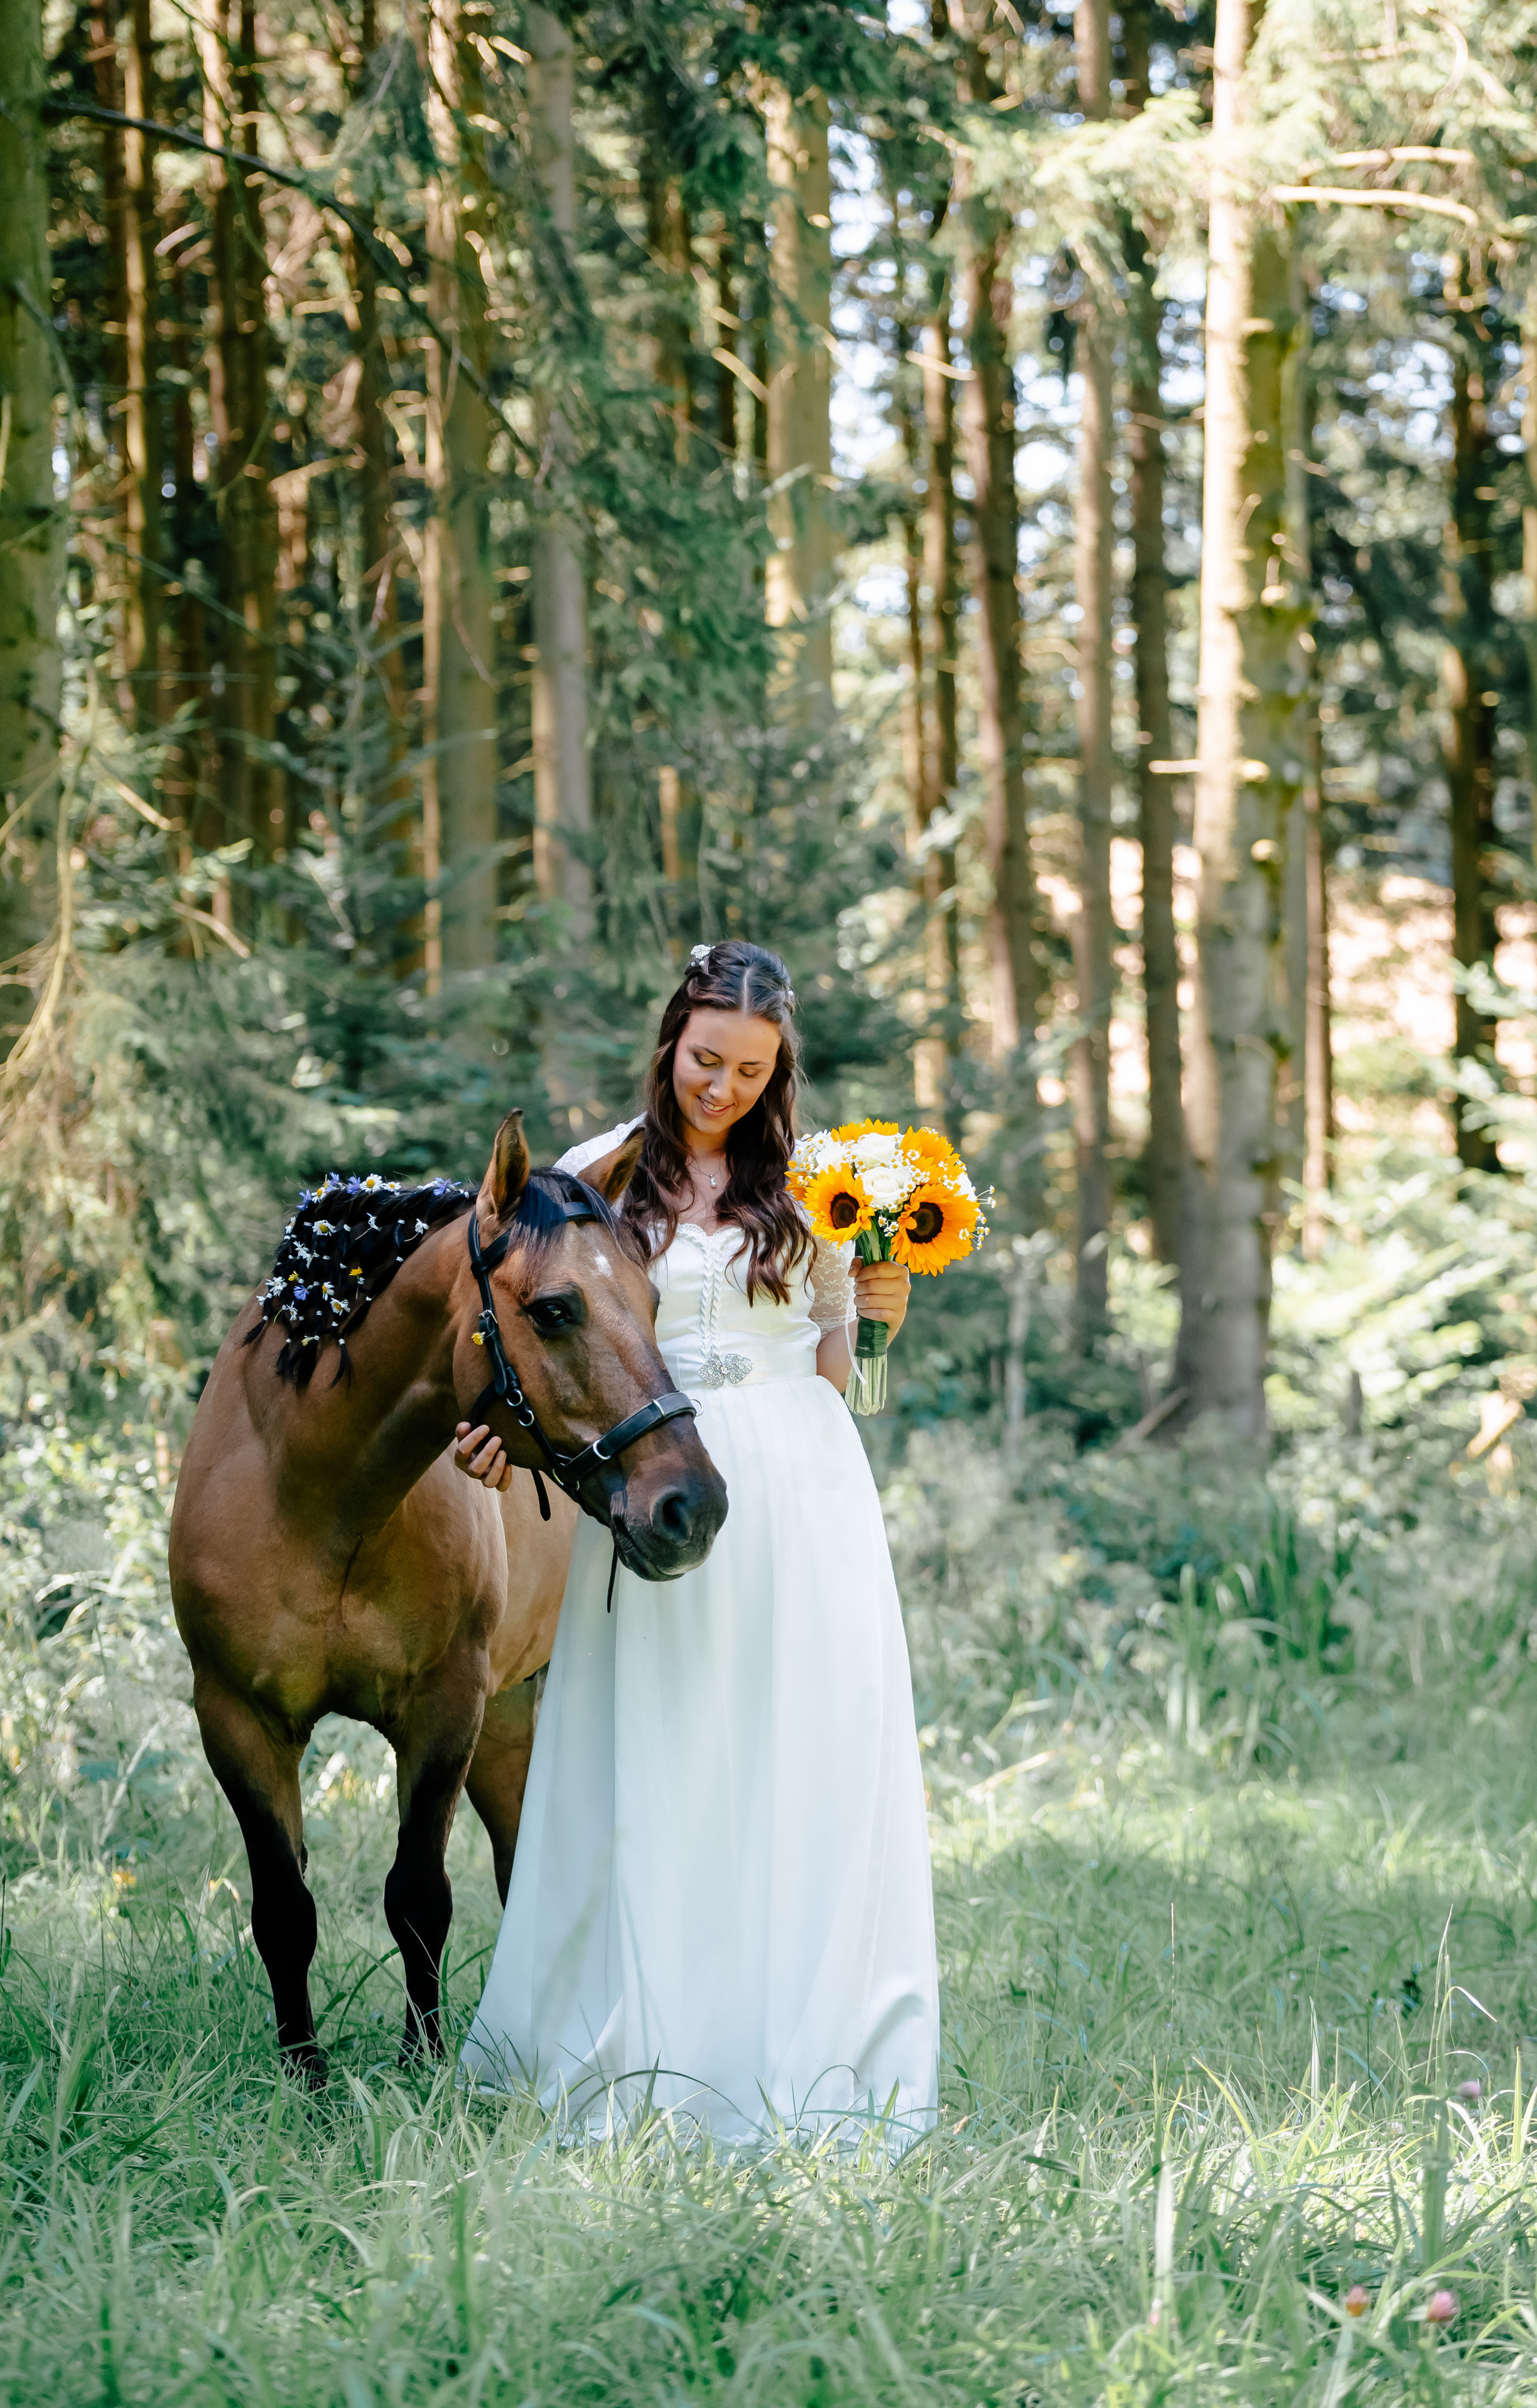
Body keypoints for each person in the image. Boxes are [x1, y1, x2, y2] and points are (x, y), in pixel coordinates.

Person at [456, 940, 940, 2152]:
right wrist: (505, 1443)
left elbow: (844, 1379)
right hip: (660, 1486)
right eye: (702, 1057)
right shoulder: (591, 1175)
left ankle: (805, 2047)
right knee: (656, 1756)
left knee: (799, 1765)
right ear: (671, 1038)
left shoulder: (818, 1189)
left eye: (747, 1069)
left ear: (778, 1073)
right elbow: (544, 1343)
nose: (717, 1085)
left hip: (804, 1488)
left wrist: (876, 1325)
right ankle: (644, 2048)